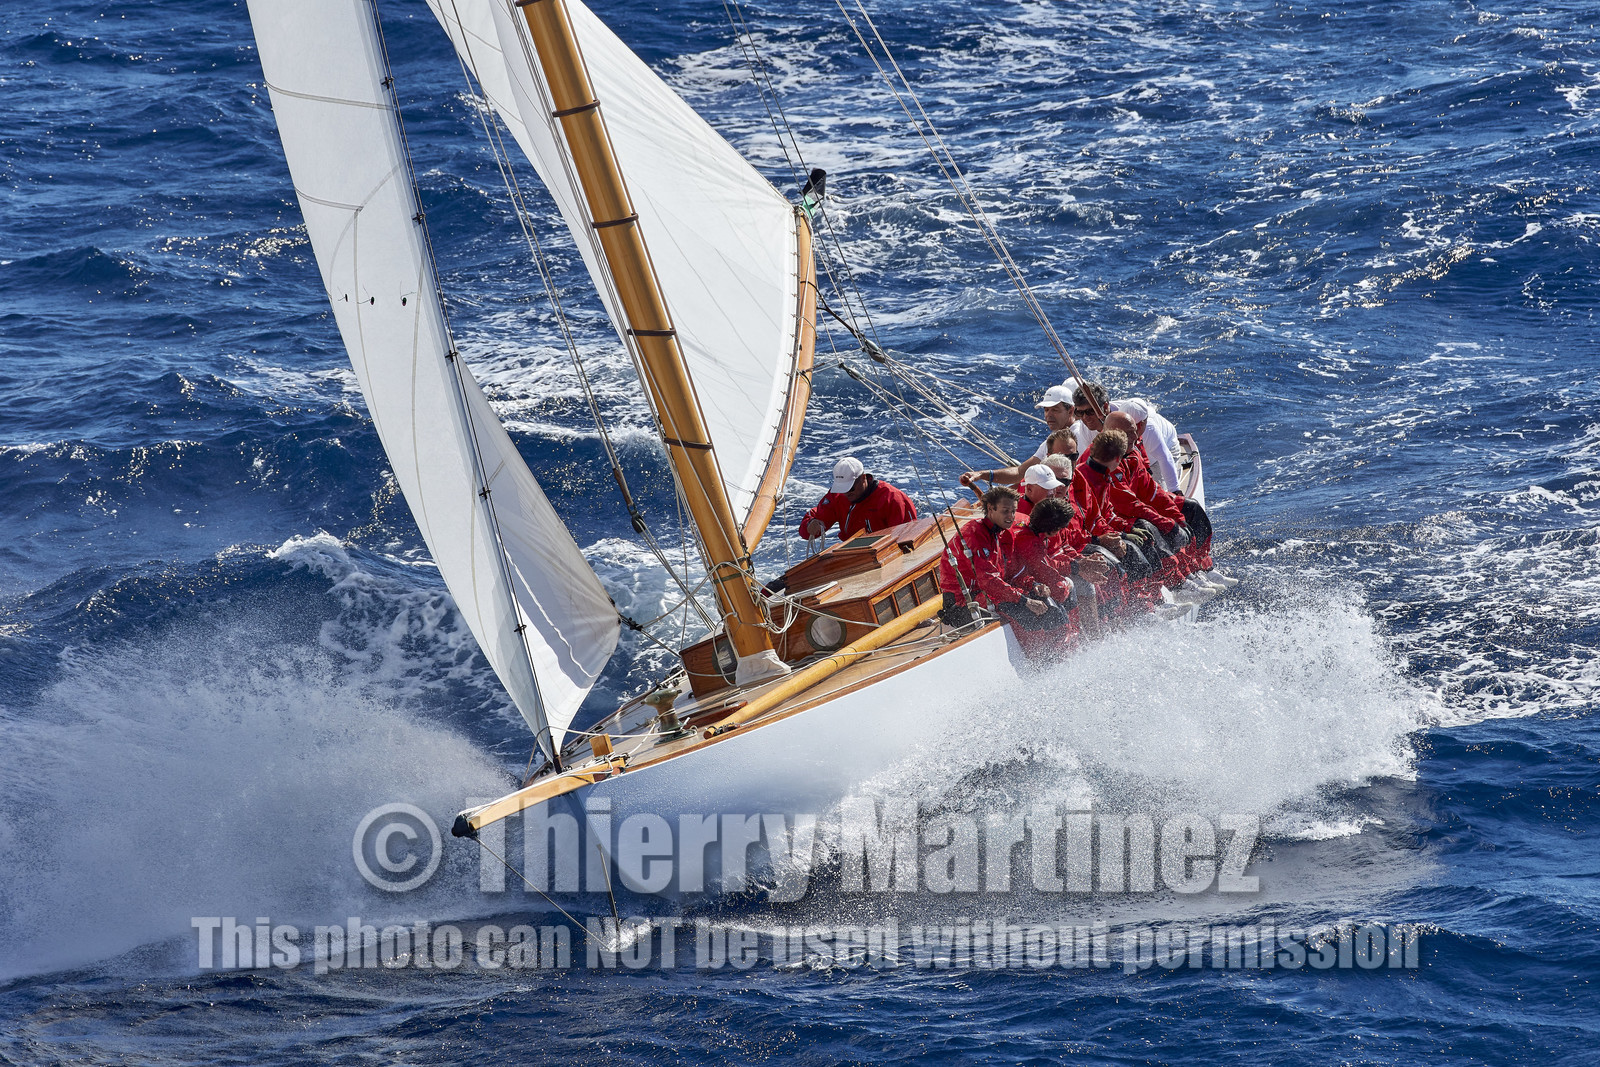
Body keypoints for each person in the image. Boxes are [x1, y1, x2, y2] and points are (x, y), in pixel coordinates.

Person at [936, 486, 1065, 631]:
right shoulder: (974, 535)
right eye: (1005, 511)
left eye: (1013, 511)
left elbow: (1008, 574)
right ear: (991, 509)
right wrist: (1025, 600)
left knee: (1054, 610)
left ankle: (1058, 651)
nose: (1011, 517)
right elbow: (988, 580)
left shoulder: (1001, 534)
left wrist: (1033, 584)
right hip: (963, 604)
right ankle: (1034, 653)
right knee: (1029, 614)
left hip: (987, 595)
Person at [959, 383, 1077, 491]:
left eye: (1055, 410)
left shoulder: (1078, 434)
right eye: (1046, 410)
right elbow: (1020, 472)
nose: (1048, 415)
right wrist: (980, 475)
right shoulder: (1053, 439)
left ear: (1071, 411)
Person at [799, 456, 916, 542]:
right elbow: (810, 527)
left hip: (885, 554)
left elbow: (907, 539)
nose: (846, 493)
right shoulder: (837, 497)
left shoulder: (894, 499)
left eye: (850, 488)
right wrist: (810, 524)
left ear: (864, 479)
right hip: (853, 555)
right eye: (842, 489)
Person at [1113, 398, 1183, 492]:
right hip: (1140, 453)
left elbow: (1164, 457)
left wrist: (1175, 490)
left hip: (1165, 449)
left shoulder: (1150, 429)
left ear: (1142, 424)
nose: (1133, 434)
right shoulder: (1115, 422)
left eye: (1135, 429)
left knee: (1157, 492)